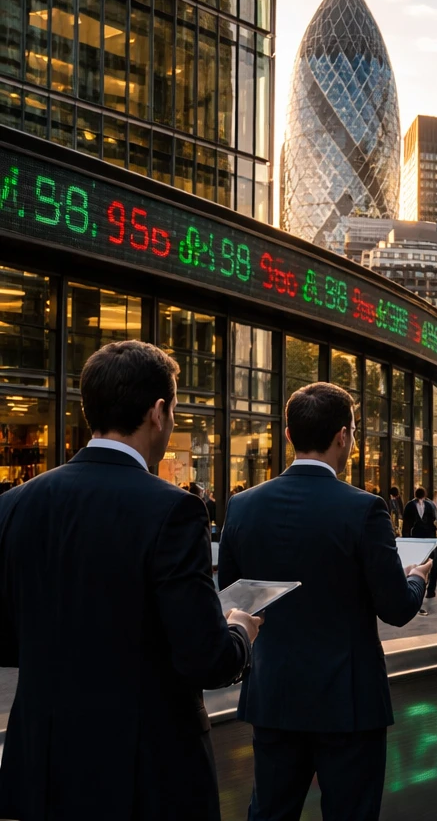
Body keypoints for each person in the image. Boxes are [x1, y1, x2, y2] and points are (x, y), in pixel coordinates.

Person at [0, 340, 261, 821]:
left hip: (42, 766)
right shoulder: (175, 510)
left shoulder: (15, 504)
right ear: (158, 412)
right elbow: (205, 658)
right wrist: (240, 630)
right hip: (144, 774)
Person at [218, 382, 430, 821]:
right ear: (344, 436)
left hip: (274, 693)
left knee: (270, 812)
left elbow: (234, 599)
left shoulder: (242, 506)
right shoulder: (364, 509)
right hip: (348, 701)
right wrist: (417, 579)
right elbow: (396, 609)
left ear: (289, 435)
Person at [402, 486, 437, 600]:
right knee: (432, 564)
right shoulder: (430, 505)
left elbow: (406, 524)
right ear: (424, 494)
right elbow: (435, 519)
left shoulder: (409, 505)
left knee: (417, 565)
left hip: (416, 540)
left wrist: (406, 539)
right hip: (428, 539)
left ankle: (419, 587)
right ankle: (431, 589)